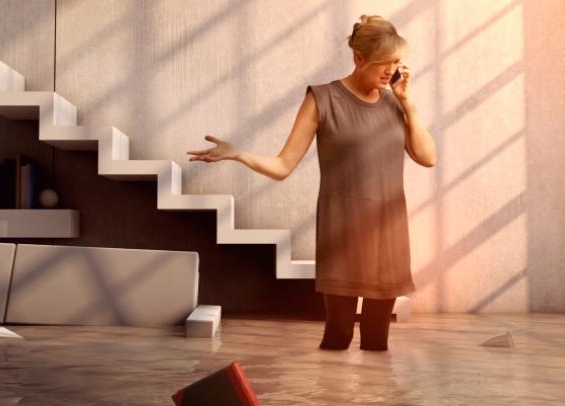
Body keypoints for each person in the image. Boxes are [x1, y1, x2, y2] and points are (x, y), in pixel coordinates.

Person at [187, 15, 436, 351]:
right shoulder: (323, 99)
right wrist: (238, 154)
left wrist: (408, 103)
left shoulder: (395, 102)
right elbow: (283, 165)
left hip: (388, 236)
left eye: (396, 62)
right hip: (342, 235)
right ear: (359, 58)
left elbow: (427, 156)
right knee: (339, 336)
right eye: (383, 63)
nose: (391, 71)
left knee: (378, 341)